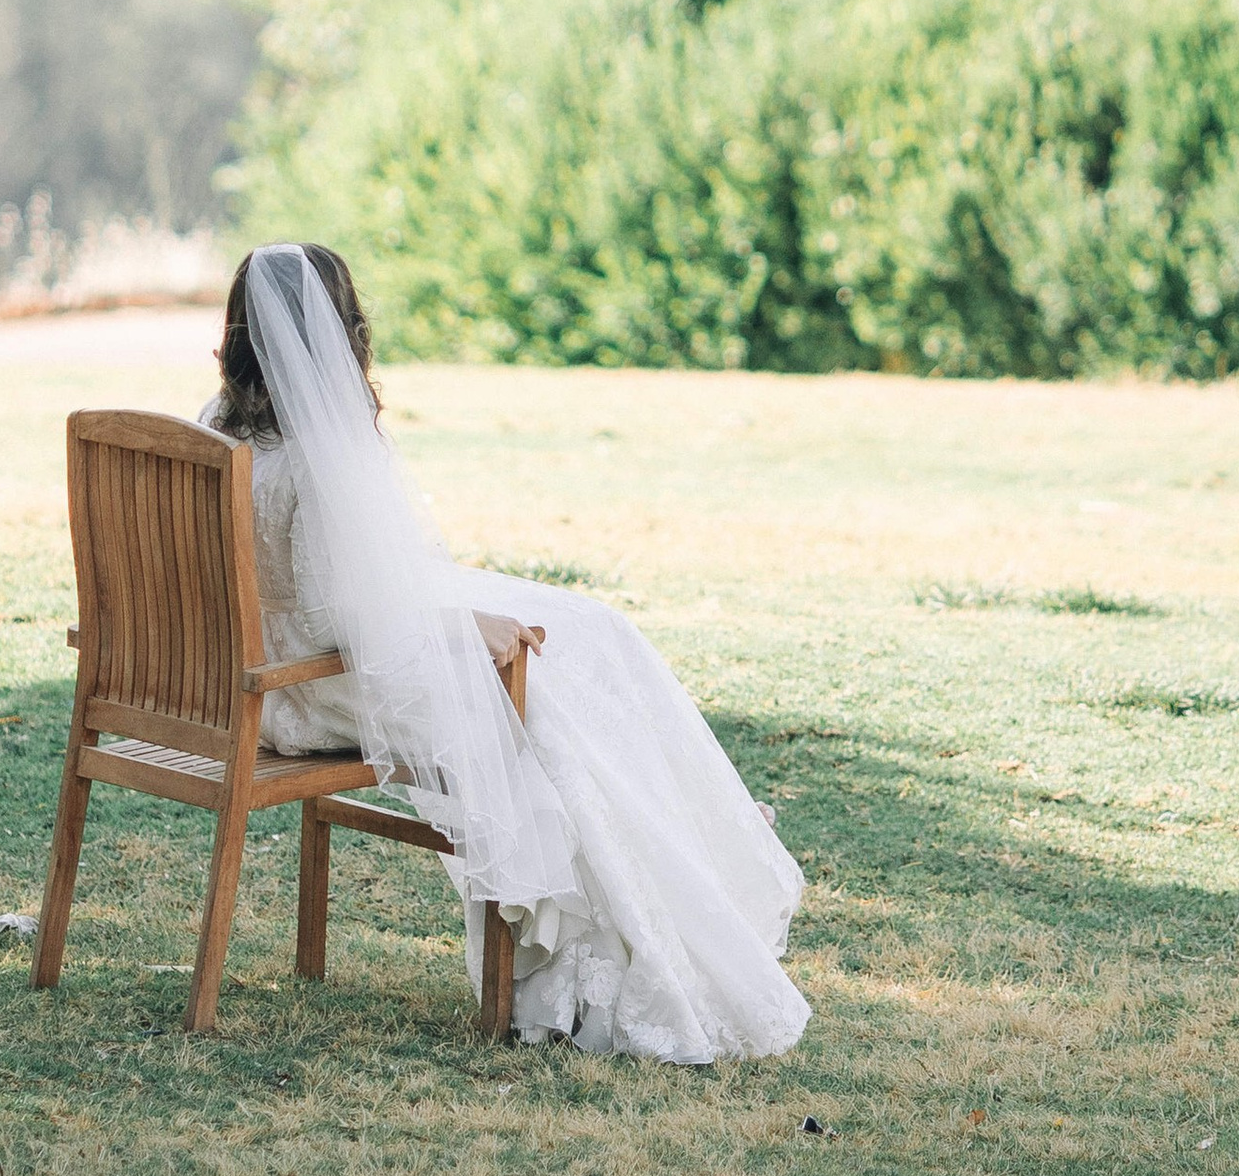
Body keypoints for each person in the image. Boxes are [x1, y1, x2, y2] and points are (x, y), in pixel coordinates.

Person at [198, 238, 808, 1066]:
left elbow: (321, 590)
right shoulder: (321, 448)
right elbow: (349, 618)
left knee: (591, 630)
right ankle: (607, 945)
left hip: (258, 676)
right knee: (549, 682)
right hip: (311, 689)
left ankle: (676, 855)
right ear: (342, 335)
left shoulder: (215, 427)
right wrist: (461, 629)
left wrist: (456, 614)